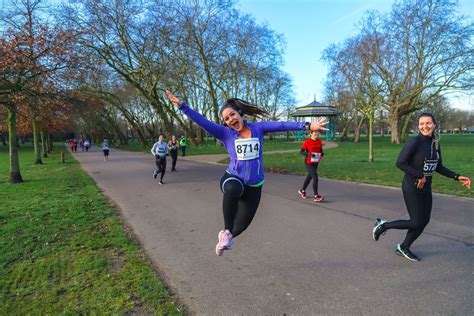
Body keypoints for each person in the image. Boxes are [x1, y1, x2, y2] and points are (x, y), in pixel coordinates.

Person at [166, 91, 328, 256]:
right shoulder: (225, 134)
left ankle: (226, 240)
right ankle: (226, 232)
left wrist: (308, 126)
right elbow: (202, 121)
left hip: (254, 184)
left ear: (240, 113)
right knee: (233, 189)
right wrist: (182, 106)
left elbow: (282, 125)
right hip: (233, 177)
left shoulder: (258, 128)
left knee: (242, 225)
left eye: (232, 114)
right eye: (226, 119)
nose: (230, 120)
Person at [372, 112, 471, 262]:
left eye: (428, 123)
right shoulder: (415, 142)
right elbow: (400, 163)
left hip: (426, 188)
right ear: (418, 126)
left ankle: (404, 247)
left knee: (424, 221)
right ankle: (383, 225)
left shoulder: (435, 143)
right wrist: (419, 175)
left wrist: (457, 177)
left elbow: (438, 166)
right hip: (411, 187)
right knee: (417, 221)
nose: (425, 126)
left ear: (434, 125)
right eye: (421, 124)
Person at [298, 129, 324, 202]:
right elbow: (301, 152)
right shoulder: (307, 142)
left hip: (316, 162)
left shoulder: (319, 141)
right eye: (314, 132)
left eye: (317, 132)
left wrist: (321, 154)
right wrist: (308, 154)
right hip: (308, 163)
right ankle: (316, 196)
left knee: (309, 178)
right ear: (311, 134)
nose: (316, 133)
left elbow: (321, 150)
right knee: (315, 177)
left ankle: (302, 190)